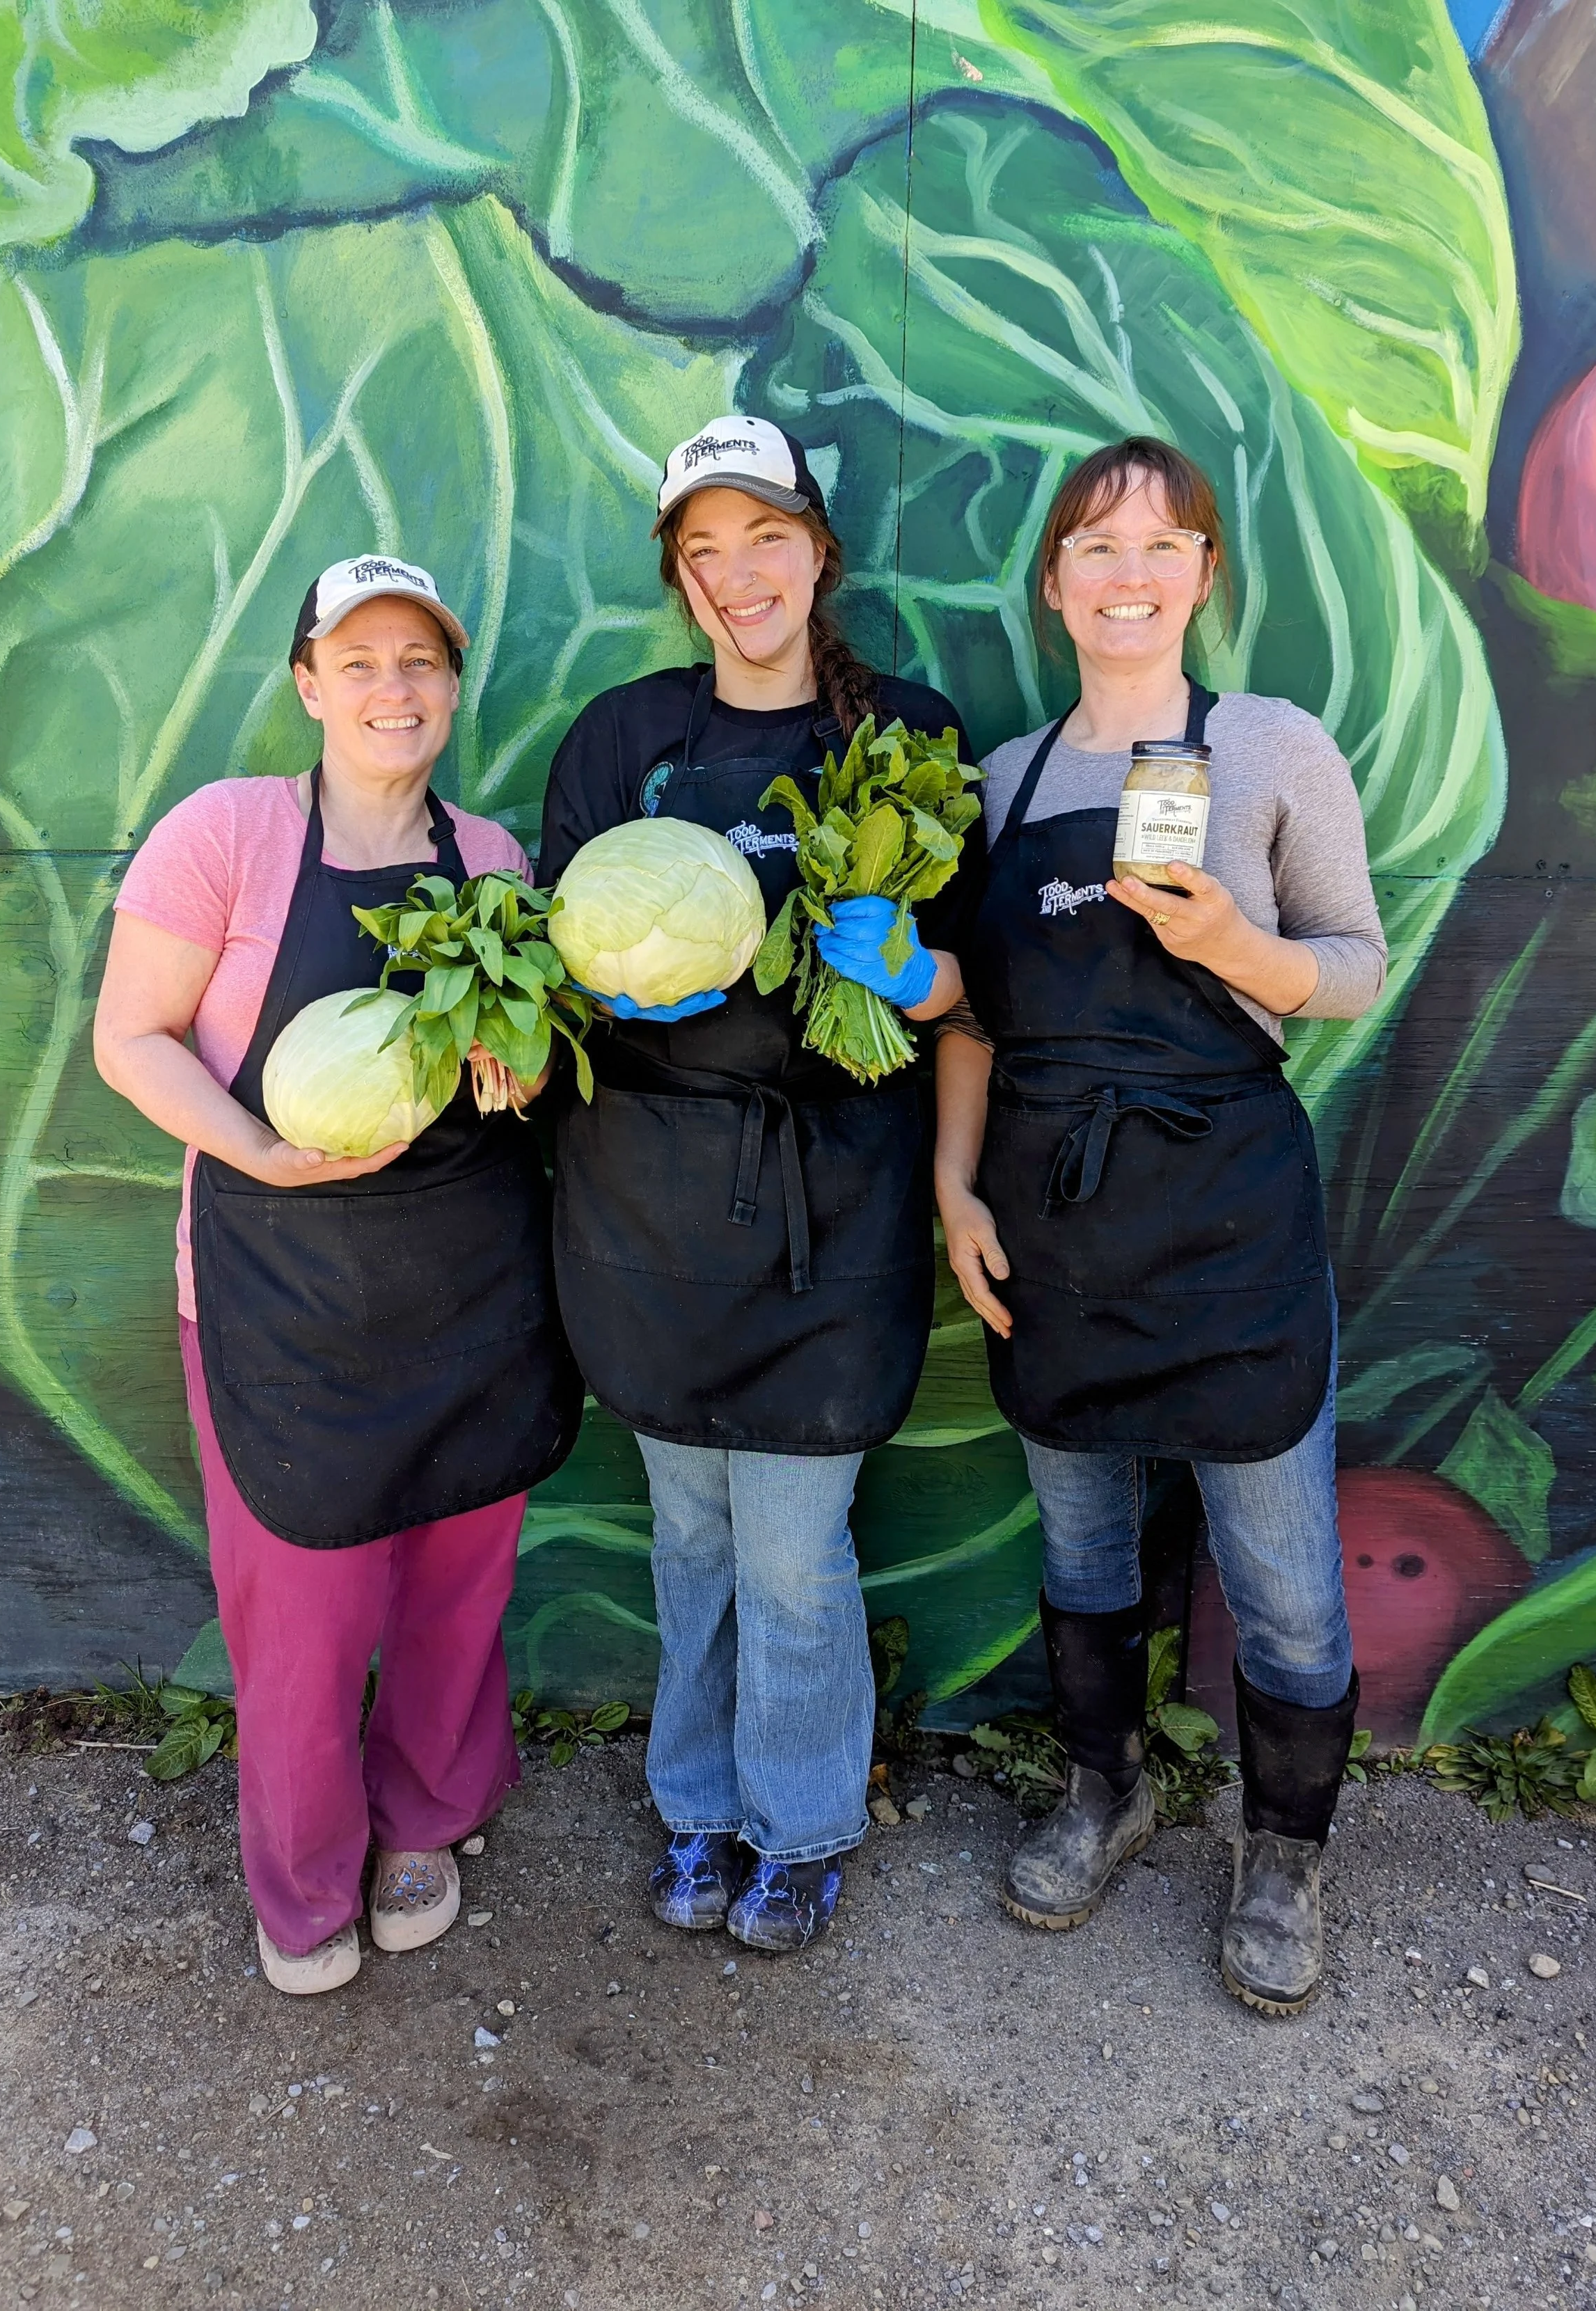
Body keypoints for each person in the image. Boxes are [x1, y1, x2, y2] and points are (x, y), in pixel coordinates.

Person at [934, 437, 1386, 2014]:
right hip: (1053, 1223)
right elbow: (978, 1016)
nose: (1126, 573)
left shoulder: (1266, 748)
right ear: (1052, 582)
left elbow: (1353, 965)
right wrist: (951, 1187)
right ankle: (1102, 1786)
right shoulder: (1004, 782)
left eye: (1159, 544)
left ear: (1202, 575)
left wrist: (1238, 949)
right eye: (1092, 545)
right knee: (1080, 1540)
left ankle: (1282, 1849)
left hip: (1226, 1226)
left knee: (1283, 1579)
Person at [94, 554, 582, 1996]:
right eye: (359, 660)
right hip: (273, 1288)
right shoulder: (227, 837)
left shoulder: (491, 862)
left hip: (470, 1288)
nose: (393, 687)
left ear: (449, 688)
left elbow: (533, 1085)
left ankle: (427, 1820)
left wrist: (523, 1065)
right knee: (298, 1617)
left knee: (452, 1586)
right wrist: (255, 1145)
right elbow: (132, 1040)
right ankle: (302, 1883)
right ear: (308, 684)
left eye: (419, 662)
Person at [539, 418, 976, 1953]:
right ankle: (695, 1809)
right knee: (691, 1542)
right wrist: (609, 1000)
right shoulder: (623, 738)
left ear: (818, 552)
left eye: (765, 540)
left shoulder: (903, 740)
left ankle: (799, 1826)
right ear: (679, 572)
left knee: (794, 1553)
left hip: (829, 1209)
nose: (738, 577)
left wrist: (916, 977)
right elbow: (554, 958)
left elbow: (969, 994)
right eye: (703, 551)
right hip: (646, 1208)